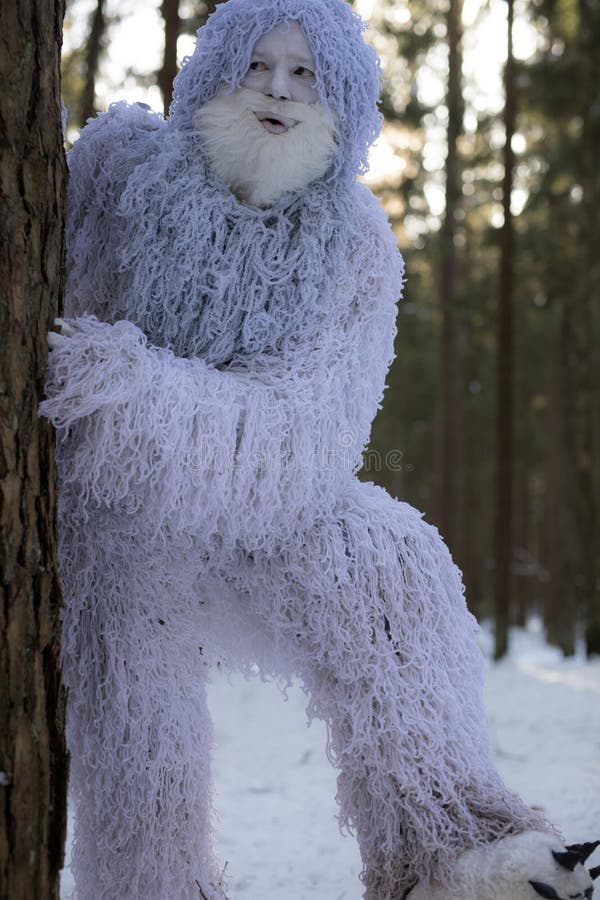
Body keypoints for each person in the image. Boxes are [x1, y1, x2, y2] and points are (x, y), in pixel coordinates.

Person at [42, 1, 597, 898]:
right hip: (101, 514)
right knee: (146, 723)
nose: (278, 90)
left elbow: (302, 443)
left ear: (344, 100)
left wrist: (135, 391)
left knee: (392, 560)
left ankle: (452, 852)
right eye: (257, 65)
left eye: (306, 74)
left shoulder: (357, 247)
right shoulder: (116, 167)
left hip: (249, 515)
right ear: (212, 70)